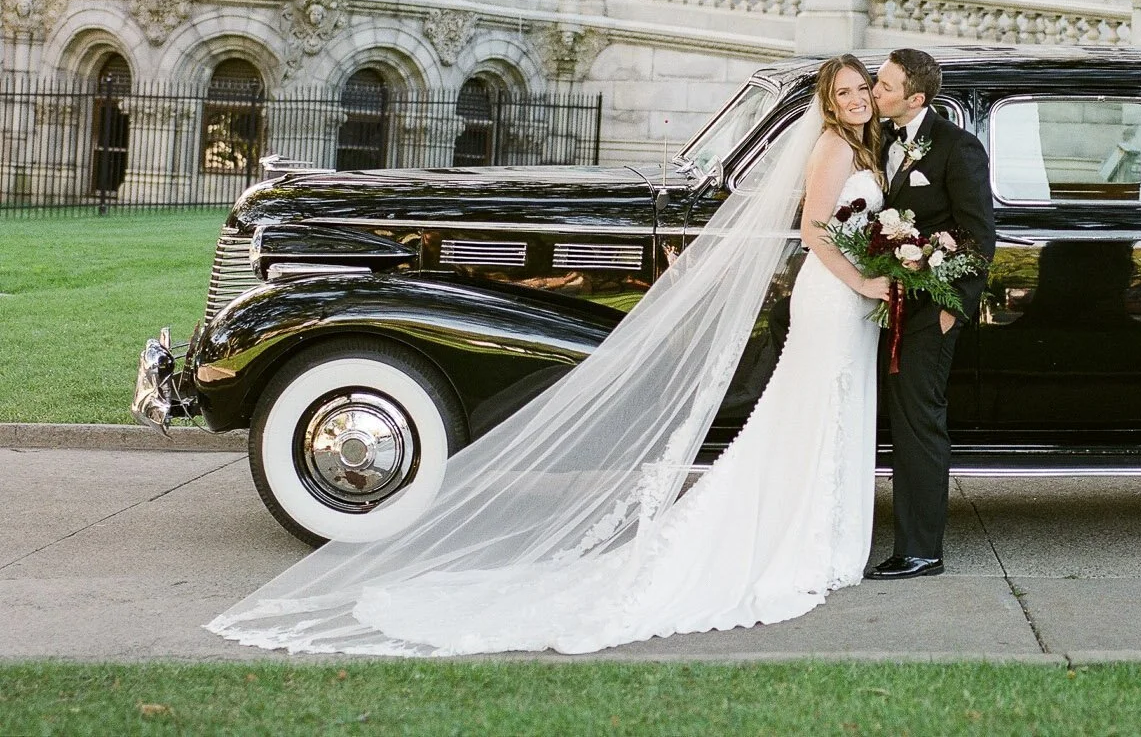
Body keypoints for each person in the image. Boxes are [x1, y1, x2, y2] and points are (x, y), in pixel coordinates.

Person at [209, 55, 896, 655]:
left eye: (862, 90)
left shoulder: (861, 149)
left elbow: (815, 224)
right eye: (844, 93)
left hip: (844, 297)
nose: (857, 100)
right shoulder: (840, 147)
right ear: (830, 105)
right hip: (839, 296)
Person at [867, 48, 996, 579]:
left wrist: (953, 310)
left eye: (884, 86)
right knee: (897, 420)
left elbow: (978, 236)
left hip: (929, 310)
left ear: (915, 98)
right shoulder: (880, 141)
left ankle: (921, 550)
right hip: (885, 305)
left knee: (919, 424)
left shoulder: (957, 148)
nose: (874, 93)